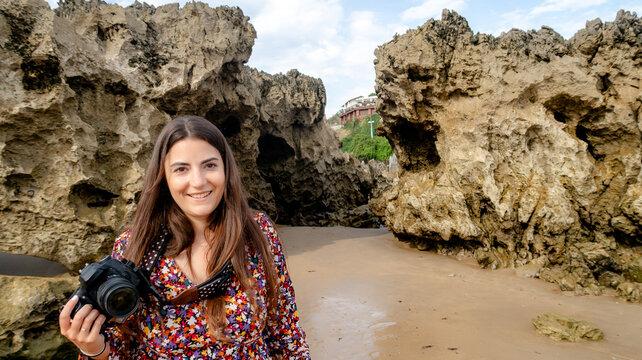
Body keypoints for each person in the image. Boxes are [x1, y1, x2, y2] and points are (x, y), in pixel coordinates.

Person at [59, 115, 310, 359]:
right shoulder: (136, 246)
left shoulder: (257, 233)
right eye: (181, 169)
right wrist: (94, 350)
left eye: (210, 165)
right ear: (164, 178)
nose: (198, 182)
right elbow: (122, 346)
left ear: (226, 169)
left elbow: (285, 331)